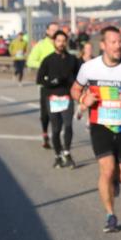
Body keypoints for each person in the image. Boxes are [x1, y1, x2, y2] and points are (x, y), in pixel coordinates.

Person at [71, 26, 121, 233]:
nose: (118, 46)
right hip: (100, 126)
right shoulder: (89, 67)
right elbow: (75, 88)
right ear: (103, 45)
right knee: (106, 170)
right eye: (114, 42)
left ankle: (116, 181)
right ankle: (110, 215)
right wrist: (83, 99)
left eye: (120, 42)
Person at [37, 30, 82, 168]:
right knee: (56, 129)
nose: (61, 43)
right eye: (58, 41)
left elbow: (80, 77)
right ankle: (58, 156)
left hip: (67, 97)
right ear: (54, 42)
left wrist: (75, 85)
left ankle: (67, 153)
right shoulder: (48, 60)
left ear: (66, 42)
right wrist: (52, 82)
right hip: (52, 98)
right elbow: (39, 79)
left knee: (68, 126)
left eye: (63, 41)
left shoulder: (72, 60)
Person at [27, 22, 60, 148]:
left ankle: (56, 136)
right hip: (45, 84)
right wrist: (44, 65)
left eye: (57, 30)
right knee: (45, 112)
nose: (54, 32)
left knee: (59, 111)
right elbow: (30, 61)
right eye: (52, 30)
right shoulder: (41, 45)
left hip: (60, 84)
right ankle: (45, 133)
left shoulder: (61, 45)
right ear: (47, 31)